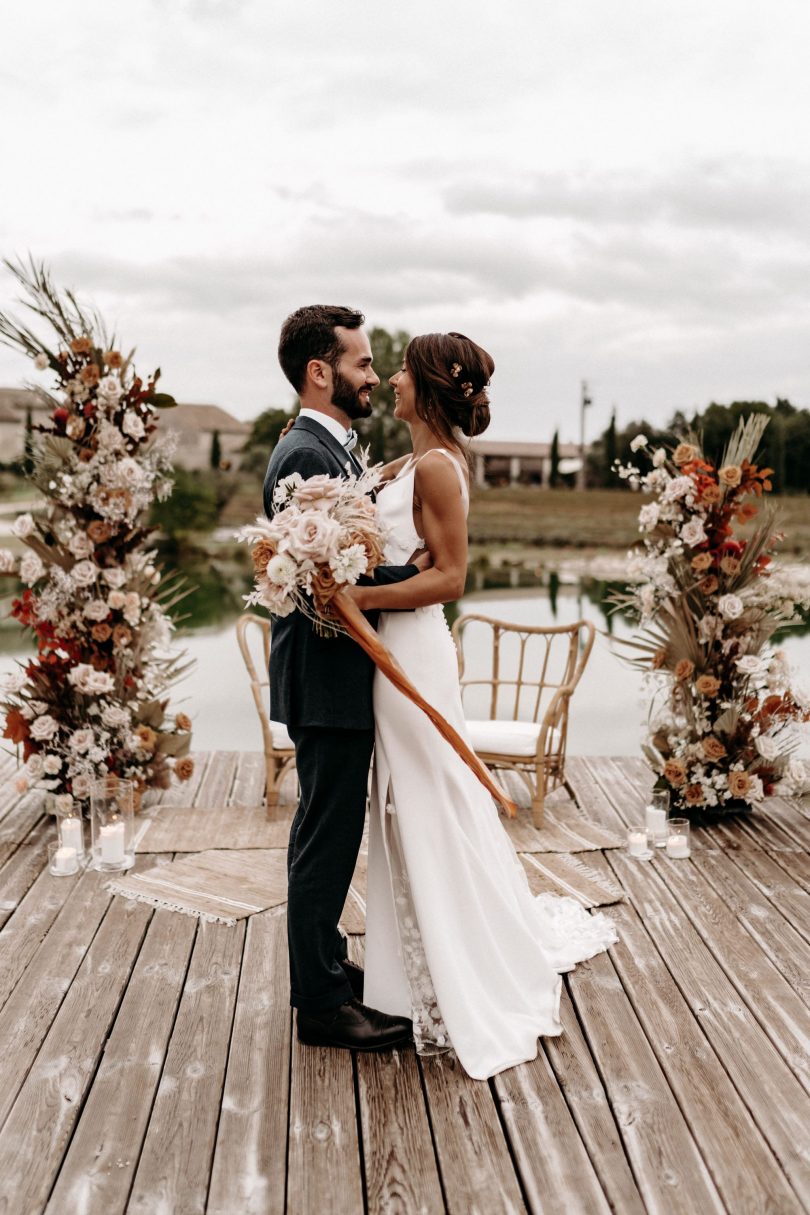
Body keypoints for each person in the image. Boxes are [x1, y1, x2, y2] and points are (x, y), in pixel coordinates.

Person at [342, 331, 618, 1079]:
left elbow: (453, 577)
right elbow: (411, 552)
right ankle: (415, 963)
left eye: (402, 368)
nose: (391, 377)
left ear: (427, 386)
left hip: (413, 651)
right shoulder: (416, 461)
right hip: (397, 645)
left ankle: (459, 963)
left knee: (429, 799)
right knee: (415, 800)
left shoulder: (436, 467)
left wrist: (356, 596)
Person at [263, 305, 429, 1052]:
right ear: (320, 371)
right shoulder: (304, 455)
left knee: (328, 830)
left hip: (333, 672)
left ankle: (326, 967)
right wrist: (414, 573)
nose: (372, 375)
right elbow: (329, 579)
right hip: (325, 673)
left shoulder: (327, 451)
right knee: (326, 838)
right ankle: (322, 1004)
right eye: (362, 363)